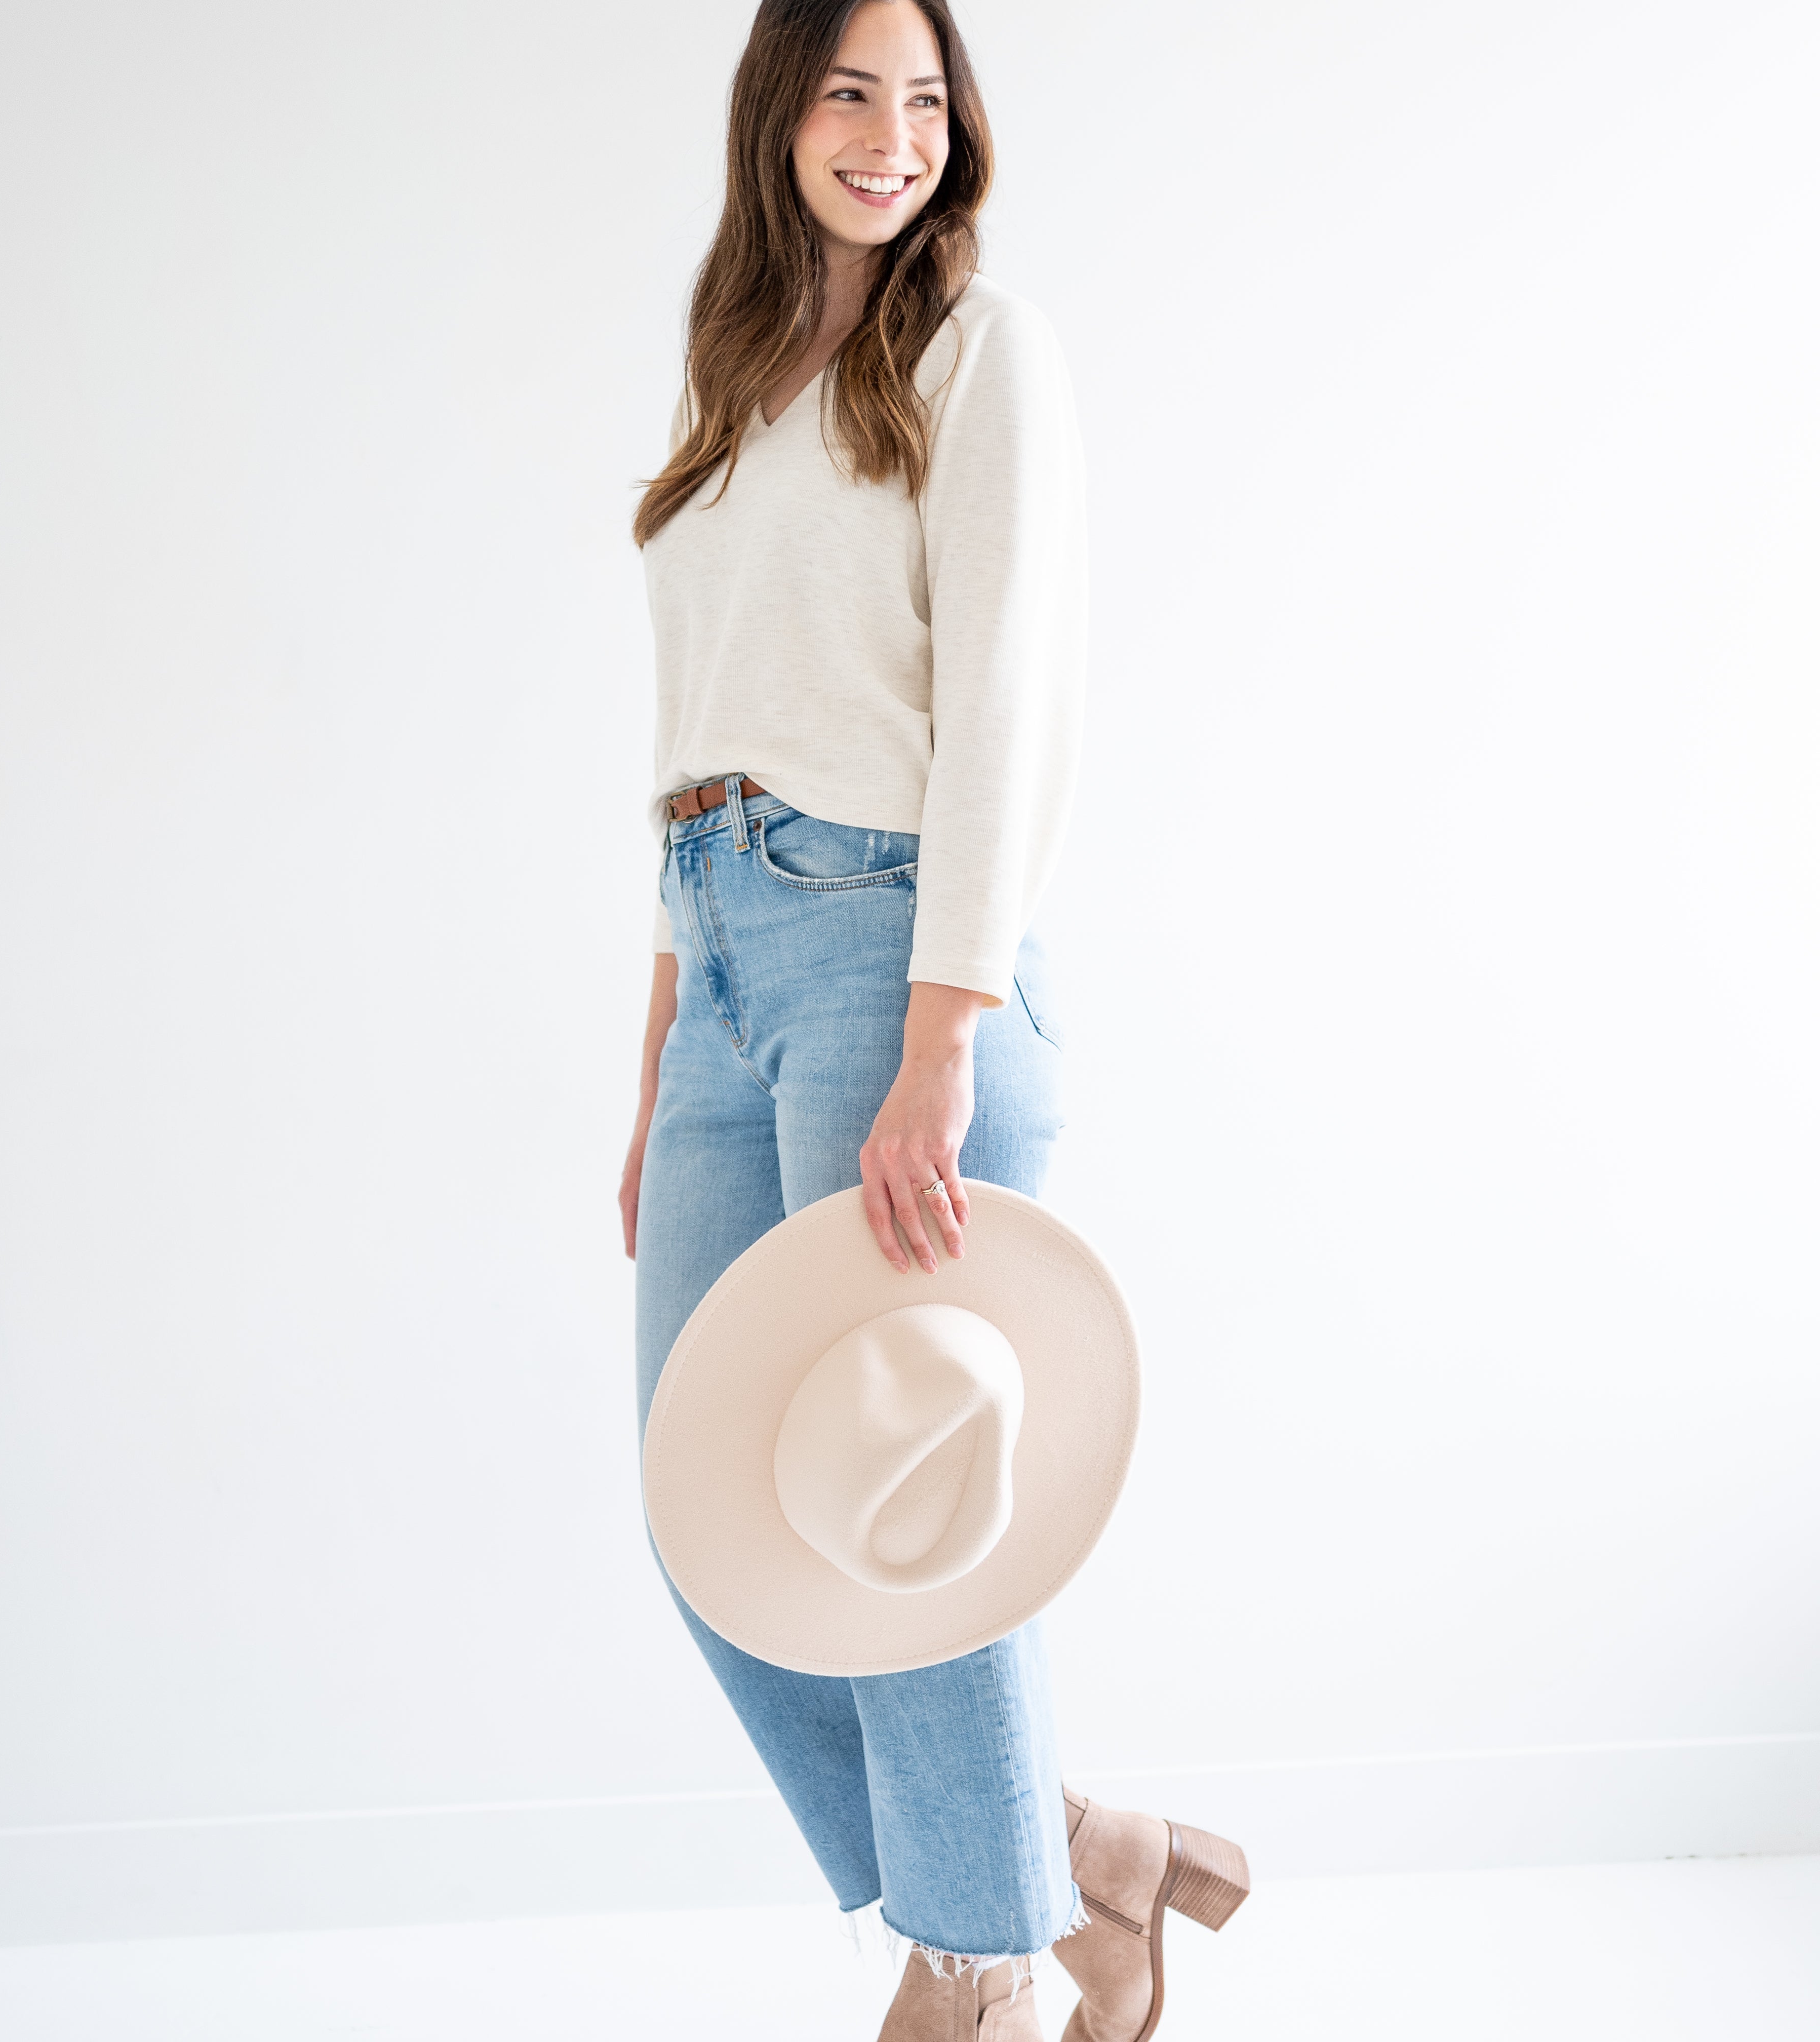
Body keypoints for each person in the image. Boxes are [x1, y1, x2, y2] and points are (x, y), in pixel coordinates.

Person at [621, 5, 1244, 2035]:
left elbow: (1008, 712)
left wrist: (944, 1033)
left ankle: (970, 1964)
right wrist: (654, 1067)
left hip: (899, 957)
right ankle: (1076, 1859)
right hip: (725, 959)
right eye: (848, 90)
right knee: (726, 1512)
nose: (892, 134)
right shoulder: (732, 386)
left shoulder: (984, 355)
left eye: (925, 97)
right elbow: (692, 743)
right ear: (778, 112)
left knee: (909, 1517)